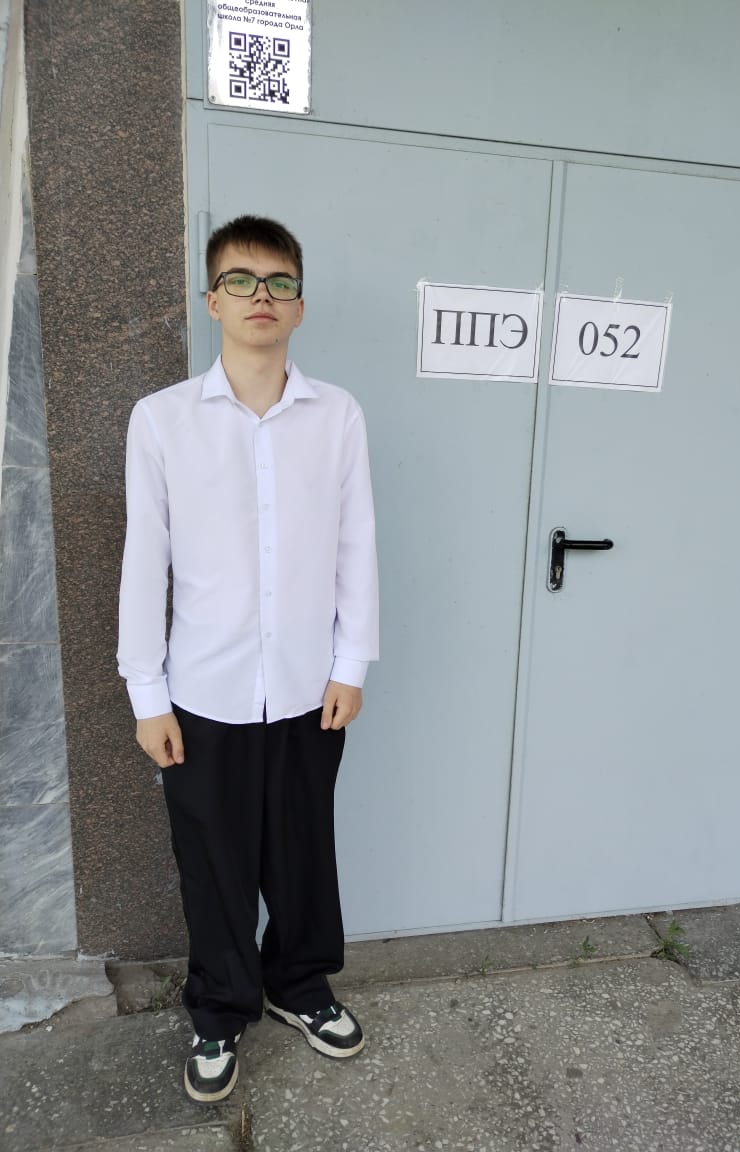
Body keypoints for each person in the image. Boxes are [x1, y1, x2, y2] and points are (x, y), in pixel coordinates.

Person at [117, 215, 378, 1104]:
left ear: (299, 305)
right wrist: (147, 694)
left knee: (302, 851)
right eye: (241, 280)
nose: (260, 296)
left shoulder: (336, 415)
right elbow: (144, 559)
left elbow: (357, 545)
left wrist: (352, 664)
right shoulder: (162, 421)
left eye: (278, 282)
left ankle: (298, 983)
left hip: (309, 685)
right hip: (203, 690)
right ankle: (221, 1008)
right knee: (215, 861)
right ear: (212, 300)